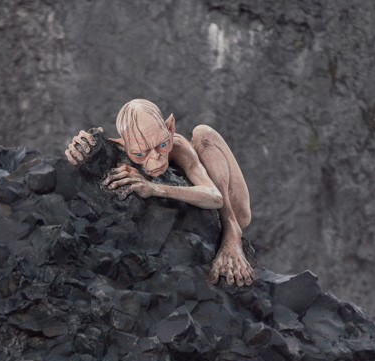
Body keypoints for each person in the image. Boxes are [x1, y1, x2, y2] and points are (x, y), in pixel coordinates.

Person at [65, 98, 254, 287]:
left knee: (204, 133)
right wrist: (79, 150)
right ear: (124, 146)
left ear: (170, 128)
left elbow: (216, 198)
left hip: (237, 211)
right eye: (140, 154)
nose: (155, 158)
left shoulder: (178, 146)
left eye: (163, 145)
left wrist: (154, 188)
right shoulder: (119, 152)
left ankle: (232, 231)